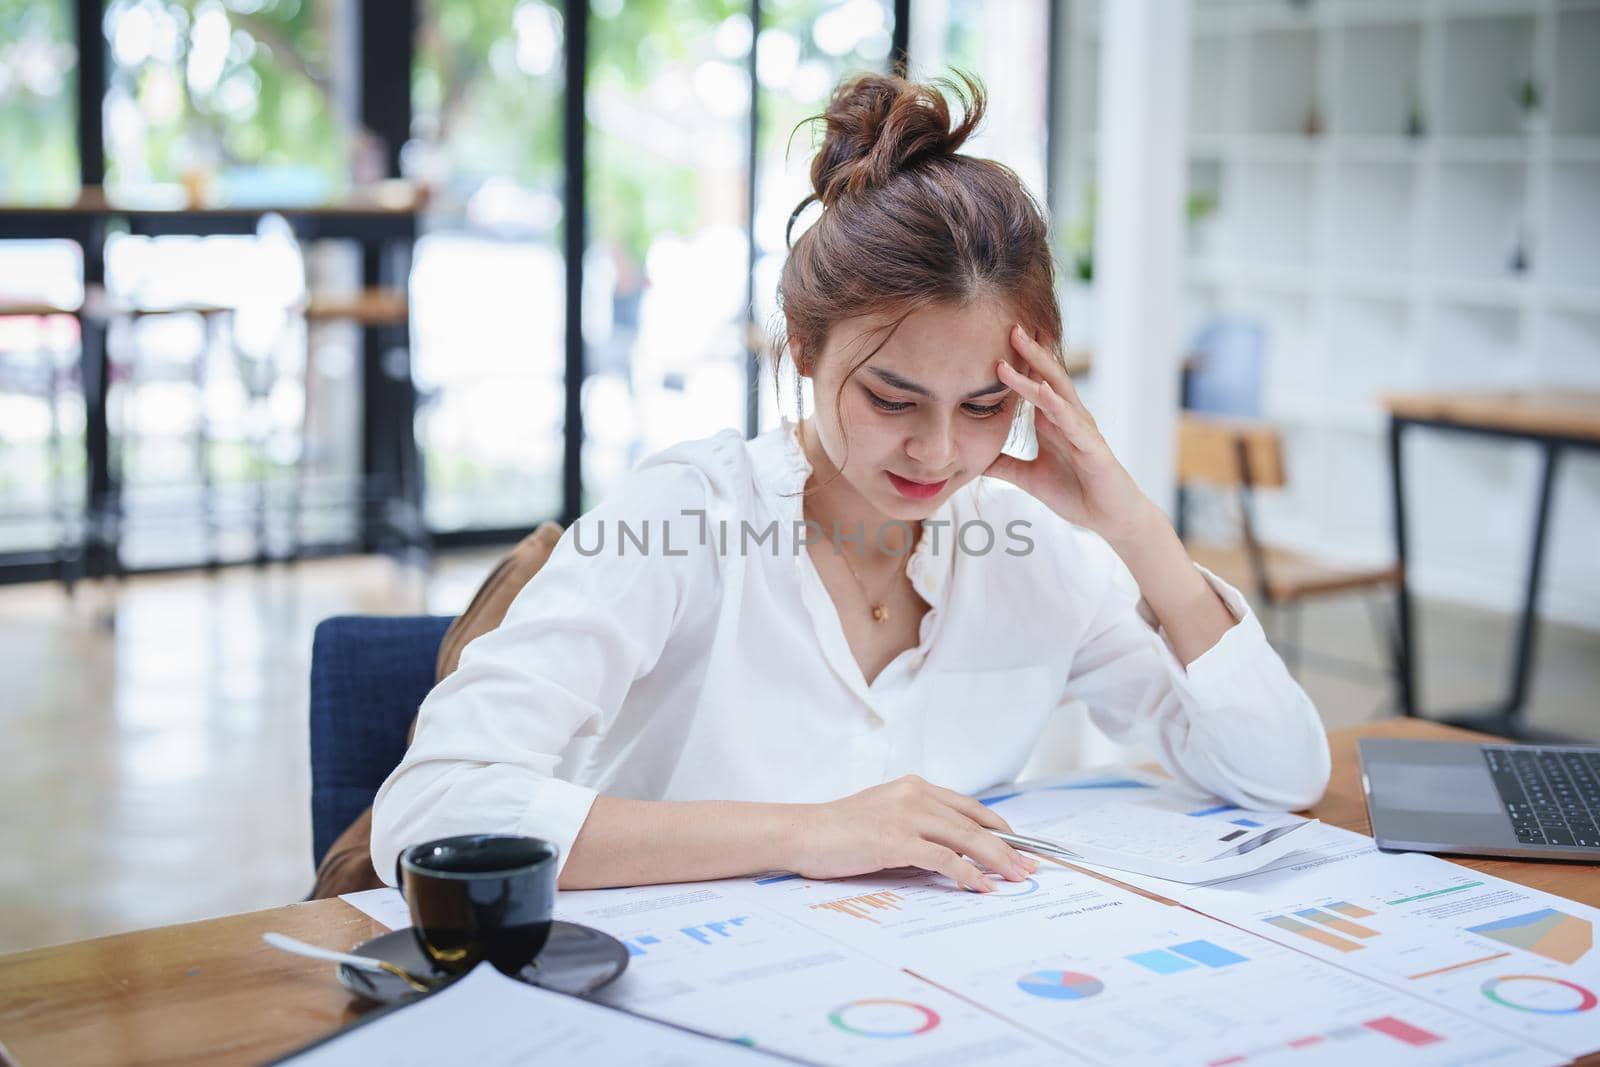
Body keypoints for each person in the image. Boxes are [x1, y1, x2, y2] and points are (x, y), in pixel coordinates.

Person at [371, 72, 1330, 896]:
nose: (938, 454)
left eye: (988, 405)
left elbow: (1276, 773)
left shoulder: (1027, 551)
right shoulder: (686, 517)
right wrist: (810, 829)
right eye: (891, 397)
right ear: (803, 349)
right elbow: (430, 810)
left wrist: (1134, 529)